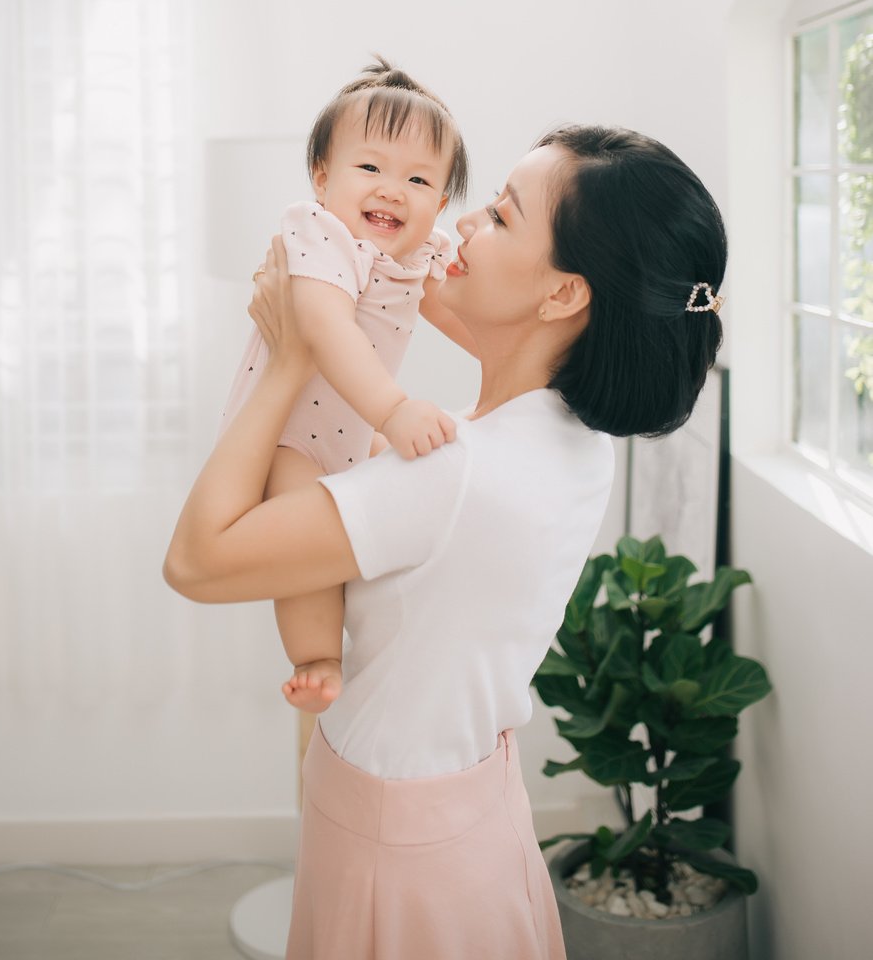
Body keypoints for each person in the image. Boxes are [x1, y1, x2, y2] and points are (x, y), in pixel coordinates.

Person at [164, 124, 727, 960]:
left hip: (394, 854)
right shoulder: (571, 439)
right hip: (465, 825)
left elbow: (197, 561)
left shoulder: (455, 474)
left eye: (499, 216)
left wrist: (291, 352)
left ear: (564, 295)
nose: (460, 224)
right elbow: (473, 321)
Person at [219, 57, 474, 715]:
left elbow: (462, 316)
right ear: (323, 178)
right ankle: (315, 655)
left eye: (418, 178)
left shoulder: (416, 254)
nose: (393, 189)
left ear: (439, 202)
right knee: (306, 558)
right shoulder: (318, 235)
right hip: (288, 435)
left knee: (381, 538)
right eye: (370, 168)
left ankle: (379, 650)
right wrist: (393, 410)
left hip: (354, 432)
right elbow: (326, 330)